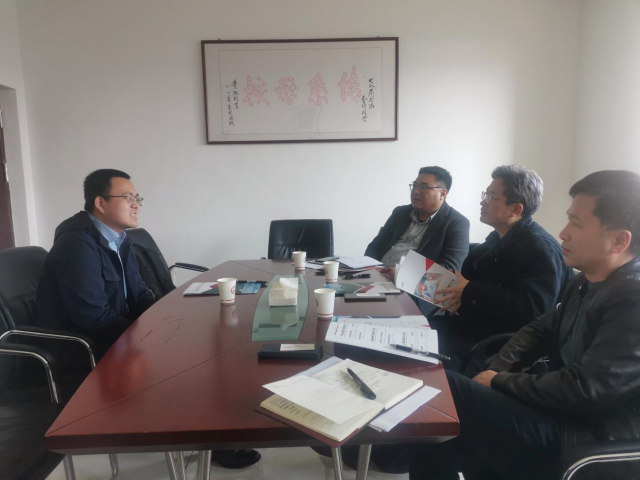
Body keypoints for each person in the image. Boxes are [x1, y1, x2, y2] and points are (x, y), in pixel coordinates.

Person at [409, 170, 640, 480]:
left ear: (619, 240)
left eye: (576, 223)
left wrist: (500, 382)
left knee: (443, 390)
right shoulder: (586, 281)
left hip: (586, 436)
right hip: (558, 411)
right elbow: (539, 329)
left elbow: (585, 389)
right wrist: (495, 371)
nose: (563, 233)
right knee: (447, 418)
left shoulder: (632, 300)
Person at [36, 169, 260, 469]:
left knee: (204, 342)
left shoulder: (120, 239)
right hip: (86, 346)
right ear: (100, 203)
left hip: (114, 333)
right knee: (193, 361)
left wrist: (166, 320)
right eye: (127, 197)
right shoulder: (77, 245)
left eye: (137, 198)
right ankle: (209, 439)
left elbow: (140, 294)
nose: (136, 204)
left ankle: (219, 431)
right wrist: (153, 336)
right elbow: (92, 316)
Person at [435, 165, 573, 371]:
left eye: (491, 197)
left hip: (498, 345)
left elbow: (534, 310)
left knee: (422, 357)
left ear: (516, 209)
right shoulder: (499, 237)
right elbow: (471, 273)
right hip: (473, 324)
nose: (483, 201)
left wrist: (469, 291)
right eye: (485, 194)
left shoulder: (539, 249)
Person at [365, 166, 470, 278]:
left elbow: (450, 269)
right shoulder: (400, 212)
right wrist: (370, 268)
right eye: (415, 186)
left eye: (424, 187)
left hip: (410, 285)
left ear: (442, 194)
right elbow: (376, 245)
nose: (415, 191)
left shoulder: (457, 223)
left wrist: (401, 273)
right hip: (377, 275)